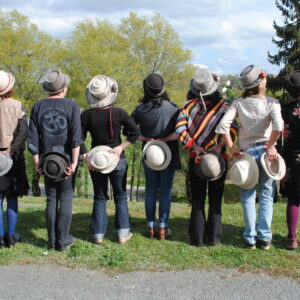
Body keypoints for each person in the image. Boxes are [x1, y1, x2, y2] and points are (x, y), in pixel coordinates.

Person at [216, 64, 284, 250]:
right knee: (266, 196)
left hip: (245, 154)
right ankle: (264, 238)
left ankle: (250, 238)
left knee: (247, 196)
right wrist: (270, 146)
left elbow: (223, 125)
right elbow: (278, 127)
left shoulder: (238, 103)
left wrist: (231, 147)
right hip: (266, 153)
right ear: (261, 83)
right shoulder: (272, 103)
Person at [176, 68, 237, 247]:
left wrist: (193, 145)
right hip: (218, 159)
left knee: (197, 199)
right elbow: (233, 129)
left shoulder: (188, 107)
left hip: (196, 157)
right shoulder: (225, 108)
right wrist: (219, 146)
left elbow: (180, 129)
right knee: (216, 199)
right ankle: (215, 237)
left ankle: (197, 238)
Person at [81, 75, 140, 244]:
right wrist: (121, 147)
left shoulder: (86, 115)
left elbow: (77, 138)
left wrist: (86, 155)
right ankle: (123, 234)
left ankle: (98, 234)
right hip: (117, 159)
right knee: (120, 196)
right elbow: (135, 132)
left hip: (97, 159)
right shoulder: (119, 112)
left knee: (99, 197)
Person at [28, 70, 82, 251]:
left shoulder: (38, 106)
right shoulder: (71, 106)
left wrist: (37, 164)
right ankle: (63, 241)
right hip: (65, 161)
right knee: (66, 200)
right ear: (63, 89)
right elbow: (76, 138)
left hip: (47, 162)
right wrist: (74, 163)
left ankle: (51, 241)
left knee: (51, 200)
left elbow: (33, 139)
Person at [131, 73, 180, 240]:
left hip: (149, 155)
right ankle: (163, 228)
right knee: (165, 192)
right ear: (163, 88)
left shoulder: (140, 110)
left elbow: (128, 132)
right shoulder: (174, 108)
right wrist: (166, 138)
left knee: (151, 191)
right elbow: (181, 132)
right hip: (168, 154)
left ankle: (150, 227)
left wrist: (145, 138)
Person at [0, 70, 29, 248]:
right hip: (14, 157)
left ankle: (0, 238)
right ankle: (10, 238)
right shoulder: (18, 106)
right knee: (12, 196)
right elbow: (23, 132)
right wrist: (11, 150)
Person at [280, 70, 300, 250]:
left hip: (292, 159)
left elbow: (280, 137)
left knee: (294, 199)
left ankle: (292, 238)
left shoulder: (284, 110)